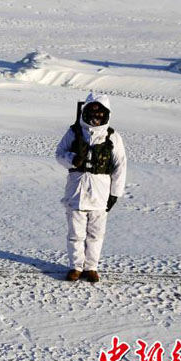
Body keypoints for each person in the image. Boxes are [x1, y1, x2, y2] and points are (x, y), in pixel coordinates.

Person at [55, 93, 127, 283]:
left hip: (100, 192)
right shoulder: (74, 132)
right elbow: (59, 153)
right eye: (92, 112)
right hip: (76, 190)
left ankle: (91, 267)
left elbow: (120, 165)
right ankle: (76, 266)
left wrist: (115, 194)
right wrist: (72, 160)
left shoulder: (112, 136)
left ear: (106, 115)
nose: (96, 117)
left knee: (95, 234)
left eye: (99, 114)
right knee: (75, 234)